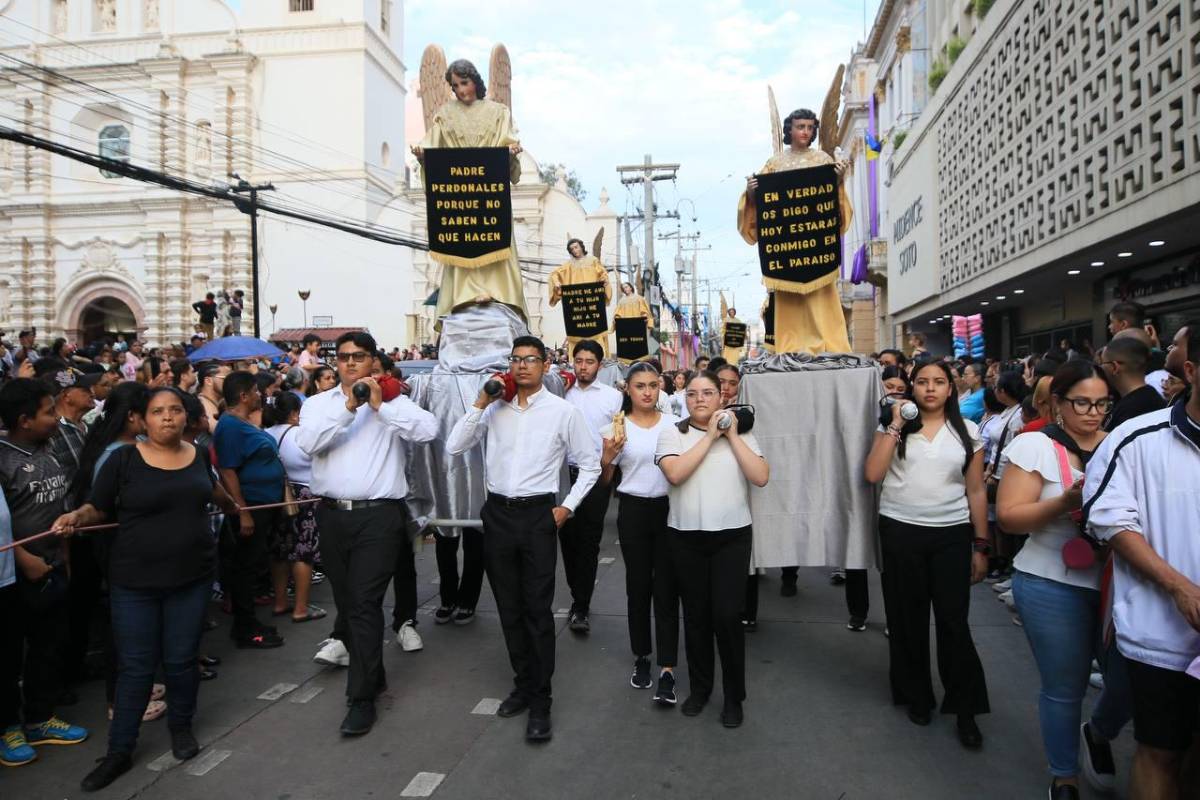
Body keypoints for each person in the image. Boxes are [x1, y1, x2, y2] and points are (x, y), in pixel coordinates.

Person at [52, 387, 237, 791]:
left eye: (174, 410)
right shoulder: (123, 459)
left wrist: (233, 506)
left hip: (192, 577)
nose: (168, 417)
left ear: (185, 418)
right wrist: (76, 517)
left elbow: (213, 491)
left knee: (181, 660)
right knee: (136, 667)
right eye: (158, 411)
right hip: (134, 582)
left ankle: (181, 729)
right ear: (142, 419)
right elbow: (97, 506)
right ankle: (119, 751)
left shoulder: (198, 455)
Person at [446, 335, 599, 742]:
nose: (522, 366)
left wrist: (567, 507)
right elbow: (454, 445)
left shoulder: (563, 412)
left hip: (538, 516)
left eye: (530, 359)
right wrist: (481, 402)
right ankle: (522, 683)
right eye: (515, 360)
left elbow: (590, 465)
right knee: (508, 607)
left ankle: (541, 698)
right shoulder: (493, 409)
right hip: (497, 513)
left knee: (536, 608)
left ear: (545, 365)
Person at [295, 331, 438, 737]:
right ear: (334, 362)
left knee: (363, 603)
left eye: (359, 356)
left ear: (373, 361)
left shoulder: (393, 402)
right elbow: (309, 444)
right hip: (332, 515)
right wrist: (348, 407)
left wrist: (382, 409)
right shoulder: (320, 405)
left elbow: (427, 431)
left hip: (380, 517)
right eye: (343, 357)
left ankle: (360, 698)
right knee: (349, 602)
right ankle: (372, 676)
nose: (351, 363)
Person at [1083, 324, 1200, 800]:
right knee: (1160, 751)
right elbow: (1109, 519)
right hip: (1161, 636)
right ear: (1191, 370)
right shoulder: (1137, 437)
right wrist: (1178, 587)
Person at [996, 361, 1119, 799]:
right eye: (1082, 402)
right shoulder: (1036, 446)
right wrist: (1066, 502)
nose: (1093, 412)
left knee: (1129, 681)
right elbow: (1010, 518)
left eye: (1102, 403)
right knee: (1064, 687)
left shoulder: (1121, 445)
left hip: (1119, 583)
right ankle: (1064, 776)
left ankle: (1099, 731)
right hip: (1050, 581)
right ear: (1059, 404)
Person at [863, 360, 991, 749]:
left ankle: (965, 708)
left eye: (939, 382)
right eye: (922, 382)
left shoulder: (967, 432)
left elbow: (976, 492)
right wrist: (896, 424)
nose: (930, 388)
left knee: (953, 623)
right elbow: (872, 474)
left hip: (951, 535)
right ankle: (917, 695)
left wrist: (981, 545)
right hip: (900, 531)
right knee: (907, 619)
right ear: (911, 387)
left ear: (950, 389)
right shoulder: (893, 428)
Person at [655, 370, 768, 728]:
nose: (700, 399)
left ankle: (734, 696)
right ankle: (701, 689)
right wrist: (710, 437)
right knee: (697, 617)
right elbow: (675, 474)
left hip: (732, 537)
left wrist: (731, 435)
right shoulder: (673, 432)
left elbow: (761, 476)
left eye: (708, 392)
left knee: (726, 616)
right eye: (692, 394)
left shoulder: (743, 432)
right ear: (684, 399)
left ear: (723, 396)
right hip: (685, 537)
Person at [0, 379, 89, 765]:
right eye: (48, 412)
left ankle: (40, 718)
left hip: (54, 567)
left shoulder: (49, 448)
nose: (55, 419)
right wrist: (25, 560)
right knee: (6, 657)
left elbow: (59, 504)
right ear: (24, 420)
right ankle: (8, 728)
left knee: (48, 646)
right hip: (16, 574)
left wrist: (63, 555)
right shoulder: (2, 458)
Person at [412, 59, 528, 323]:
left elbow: (506, 141)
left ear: (475, 81)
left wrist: (508, 153)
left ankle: (495, 291)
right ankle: (465, 294)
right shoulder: (445, 113)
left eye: (464, 83)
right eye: (455, 86)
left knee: (494, 236)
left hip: (489, 191)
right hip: (460, 193)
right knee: (462, 241)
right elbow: (434, 144)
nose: (460, 90)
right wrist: (423, 155)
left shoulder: (498, 112)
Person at [599, 362, 681, 702]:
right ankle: (642, 657)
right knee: (638, 587)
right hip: (632, 510)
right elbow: (606, 482)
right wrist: (607, 459)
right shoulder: (615, 428)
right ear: (627, 390)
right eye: (640, 386)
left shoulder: (676, 425)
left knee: (667, 589)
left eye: (652, 384)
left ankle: (667, 668)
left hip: (669, 510)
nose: (647, 391)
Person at [739, 108, 852, 354]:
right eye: (801, 126)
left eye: (810, 128)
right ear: (789, 129)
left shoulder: (822, 159)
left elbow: (835, 205)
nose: (806, 132)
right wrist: (750, 192)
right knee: (789, 302)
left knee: (821, 299)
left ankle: (828, 346)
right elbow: (762, 201)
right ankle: (790, 348)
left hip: (815, 246)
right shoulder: (775, 163)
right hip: (787, 249)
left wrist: (839, 180)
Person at [213, 371, 286, 649]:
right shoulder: (230, 426)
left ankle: (249, 621)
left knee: (252, 565)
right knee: (245, 567)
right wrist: (242, 510)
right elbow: (228, 470)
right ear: (243, 396)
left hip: (263, 505)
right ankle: (244, 627)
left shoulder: (242, 423)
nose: (261, 394)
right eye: (256, 391)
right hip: (252, 506)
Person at [557, 339, 622, 633]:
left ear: (600, 364)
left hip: (595, 475)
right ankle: (577, 593)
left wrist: (608, 473)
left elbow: (618, 439)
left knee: (589, 542)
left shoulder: (612, 398)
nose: (583, 367)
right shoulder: (560, 391)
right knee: (567, 541)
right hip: (562, 476)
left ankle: (581, 604)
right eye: (579, 361)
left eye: (589, 362)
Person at [265, 392, 324, 624]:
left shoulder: (266, 433)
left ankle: (280, 602)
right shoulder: (301, 435)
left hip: (278, 495)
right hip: (305, 496)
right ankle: (300, 607)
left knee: (279, 550)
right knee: (303, 552)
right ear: (294, 413)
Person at [548, 238, 612, 357]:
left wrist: (603, 280)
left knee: (597, 333)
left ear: (581, 247)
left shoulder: (593, 261)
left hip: (592, 301)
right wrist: (557, 283)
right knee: (575, 335)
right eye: (572, 249)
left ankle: (600, 359)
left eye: (576, 247)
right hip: (576, 303)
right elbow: (554, 274)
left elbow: (603, 274)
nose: (575, 250)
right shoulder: (569, 265)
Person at [1100, 336, 1166, 432]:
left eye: (1102, 364)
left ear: (1115, 367)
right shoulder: (1149, 398)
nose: (1101, 369)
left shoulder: (1136, 409)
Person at [196, 363, 228, 432]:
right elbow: (217, 429)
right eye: (225, 378)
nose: (229, 382)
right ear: (208, 381)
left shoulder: (218, 401)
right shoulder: (201, 403)